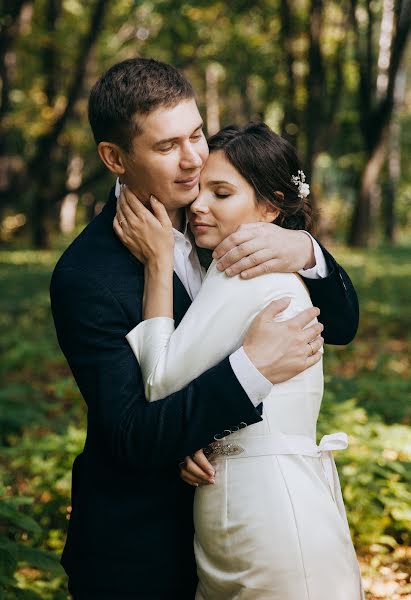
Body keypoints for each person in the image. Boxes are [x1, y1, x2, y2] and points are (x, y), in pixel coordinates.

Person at [50, 58, 359, 599]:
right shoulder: (85, 276)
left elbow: (342, 323)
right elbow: (130, 433)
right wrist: (245, 377)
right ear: (115, 158)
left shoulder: (228, 215)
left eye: (196, 133)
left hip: (243, 525)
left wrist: (305, 248)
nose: (194, 159)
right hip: (141, 553)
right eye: (167, 146)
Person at [117, 122, 364, 599]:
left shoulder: (245, 274)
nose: (198, 206)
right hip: (246, 506)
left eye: (222, 193)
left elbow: (160, 385)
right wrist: (196, 437)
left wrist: (157, 264)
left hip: (267, 513)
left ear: (271, 206)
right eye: (199, 189)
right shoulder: (240, 271)